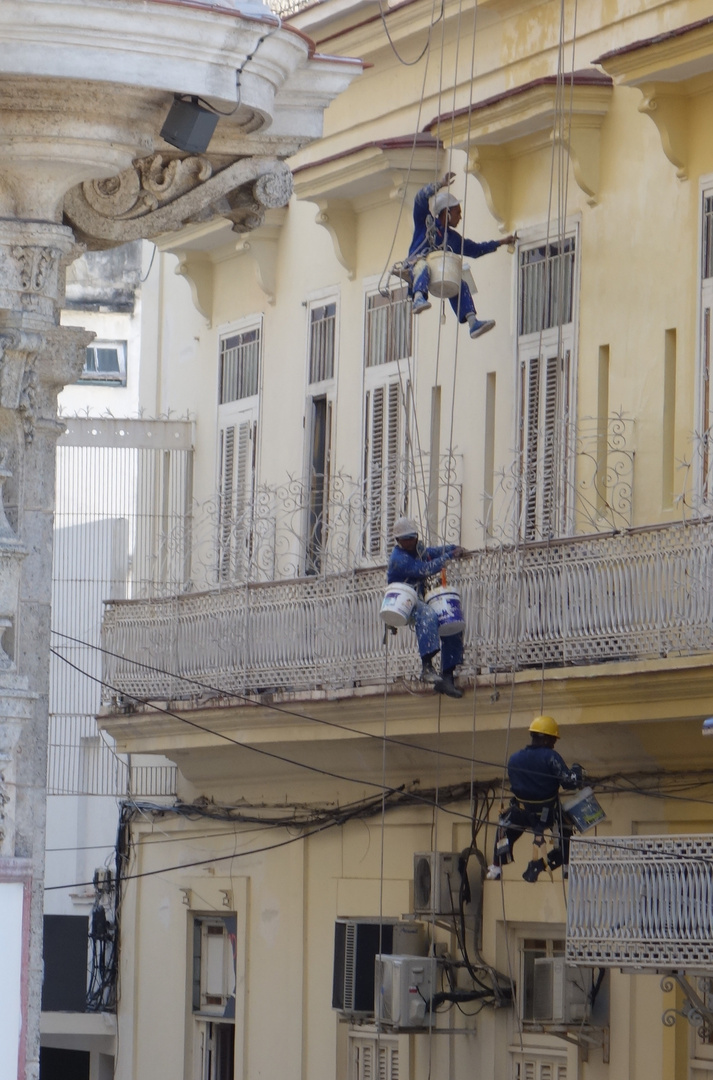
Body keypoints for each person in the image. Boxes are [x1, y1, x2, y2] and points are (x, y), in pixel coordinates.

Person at [406, 172, 516, 339]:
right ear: (447, 213)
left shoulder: (452, 238)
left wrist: (501, 243)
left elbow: (475, 249)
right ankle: (418, 298)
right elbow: (419, 199)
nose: (460, 217)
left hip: (435, 273)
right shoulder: (425, 223)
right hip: (416, 266)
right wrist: (440, 184)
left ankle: (473, 323)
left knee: (460, 283)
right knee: (423, 265)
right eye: (458, 212)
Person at [488, 715, 583, 883]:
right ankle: (562, 868)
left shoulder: (514, 758)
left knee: (503, 827)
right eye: (553, 739)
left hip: (522, 814)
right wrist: (577, 769)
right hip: (548, 815)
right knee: (566, 832)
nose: (554, 743)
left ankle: (496, 866)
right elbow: (569, 783)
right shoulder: (550, 756)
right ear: (547, 739)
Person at [387, 516, 466, 698]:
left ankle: (447, 675)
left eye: (412, 537)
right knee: (428, 616)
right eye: (406, 539)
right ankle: (427, 666)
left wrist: (452, 548)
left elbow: (431, 553)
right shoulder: (398, 558)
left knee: (450, 620)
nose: (410, 542)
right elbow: (424, 569)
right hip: (402, 601)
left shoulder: (418, 549)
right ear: (398, 541)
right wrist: (449, 556)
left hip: (418, 597)